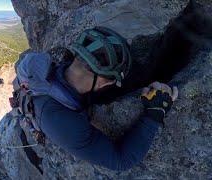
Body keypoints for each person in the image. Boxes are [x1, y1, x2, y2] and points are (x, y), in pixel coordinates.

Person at [10, 26, 178, 171]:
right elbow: (121, 161)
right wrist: (155, 113)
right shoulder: (63, 123)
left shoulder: (55, 68)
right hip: (51, 119)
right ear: (106, 81)